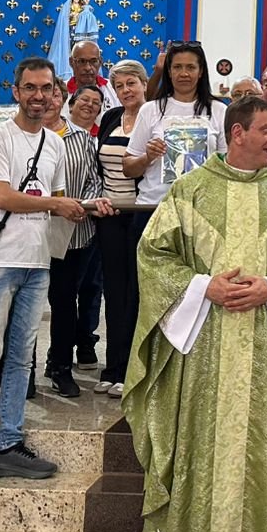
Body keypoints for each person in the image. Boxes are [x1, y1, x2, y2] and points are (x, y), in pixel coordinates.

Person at [123, 95, 267, 532]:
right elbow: (152, 255)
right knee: (198, 457)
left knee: (248, 463)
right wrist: (200, 288)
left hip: (259, 357)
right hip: (200, 360)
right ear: (238, 134)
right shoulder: (189, 191)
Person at [0, 58, 90, 487]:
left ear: (56, 93)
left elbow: (55, 197)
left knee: (20, 359)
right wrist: (56, 204)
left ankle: (11, 443)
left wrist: (84, 207)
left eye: (46, 88)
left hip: (38, 261)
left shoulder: (55, 144)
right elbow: (3, 197)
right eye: (29, 87)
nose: (38, 96)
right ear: (15, 91)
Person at [45, 86, 112, 397]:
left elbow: (94, 181)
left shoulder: (82, 138)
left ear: (62, 99)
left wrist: (80, 205)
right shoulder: (14, 134)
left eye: (53, 92)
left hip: (72, 231)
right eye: (37, 90)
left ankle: (59, 365)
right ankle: (20, 366)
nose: (46, 98)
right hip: (26, 231)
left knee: (63, 302)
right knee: (24, 303)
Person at [95, 59, 148, 397]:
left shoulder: (153, 118)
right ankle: (113, 366)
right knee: (113, 293)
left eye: (132, 84)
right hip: (110, 215)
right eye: (120, 86)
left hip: (141, 213)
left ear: (144, 84)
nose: (126, 90)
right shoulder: (111, 118)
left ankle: (133, 368)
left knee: (137, 292)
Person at [124, 41, 227, 211]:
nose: (184, 73)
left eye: (190, 67)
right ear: (169, 72)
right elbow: (128, 168)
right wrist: (147, 157)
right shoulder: (150, 110)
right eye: (177, 67)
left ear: (200, 71)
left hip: (201, 207)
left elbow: (226, 164)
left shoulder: (219, 110)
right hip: (155, 206)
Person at [68, 84, 107, 365]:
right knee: (64, 293)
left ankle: (86, 341)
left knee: (92, 288)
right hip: (57, 224)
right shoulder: (56, 133)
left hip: (91, 224)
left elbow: (99, 179)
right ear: (71, 103)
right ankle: (61, 348)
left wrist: (87, 205)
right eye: (85, 99)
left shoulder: (101, 139)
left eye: (96, 102)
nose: (90, 105)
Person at [67, 39, 119, 109]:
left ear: (100, 62)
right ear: (71, 62)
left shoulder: (114, 88)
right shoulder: (59, 92)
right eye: (82, 61)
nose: (88, 68)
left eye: (94, 61)